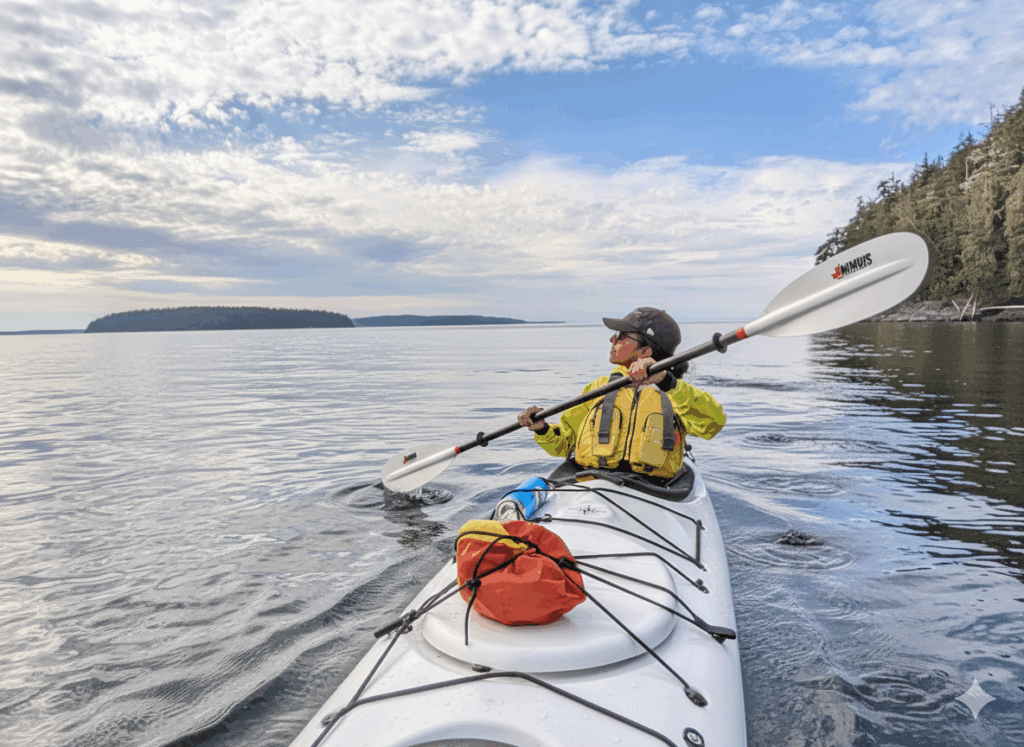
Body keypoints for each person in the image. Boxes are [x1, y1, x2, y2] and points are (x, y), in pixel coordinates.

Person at [518, 307, 726, 480]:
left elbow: (712, 424)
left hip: (653, 489)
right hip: (596, 482)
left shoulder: (674, 391)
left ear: (645, 351)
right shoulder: (598, 388)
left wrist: (667, 382)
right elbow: (564, 445)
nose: (611, 339)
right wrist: (542, 429)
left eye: (620, 336)